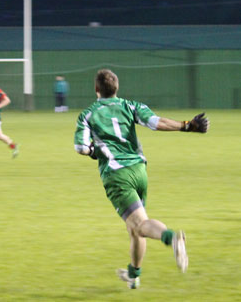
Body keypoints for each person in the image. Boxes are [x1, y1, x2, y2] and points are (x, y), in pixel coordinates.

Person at [74, 69, 209, 289]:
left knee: (140, 225)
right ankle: (133, 276)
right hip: (139, 171)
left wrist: (94, 152)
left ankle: (171, 237)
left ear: (96, 89)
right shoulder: (130, 105)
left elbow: (80, 147)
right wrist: (187, 125)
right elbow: (157, 122)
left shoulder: (87, 114)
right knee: (134, 228)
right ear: (116, 88)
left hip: (117, 175)